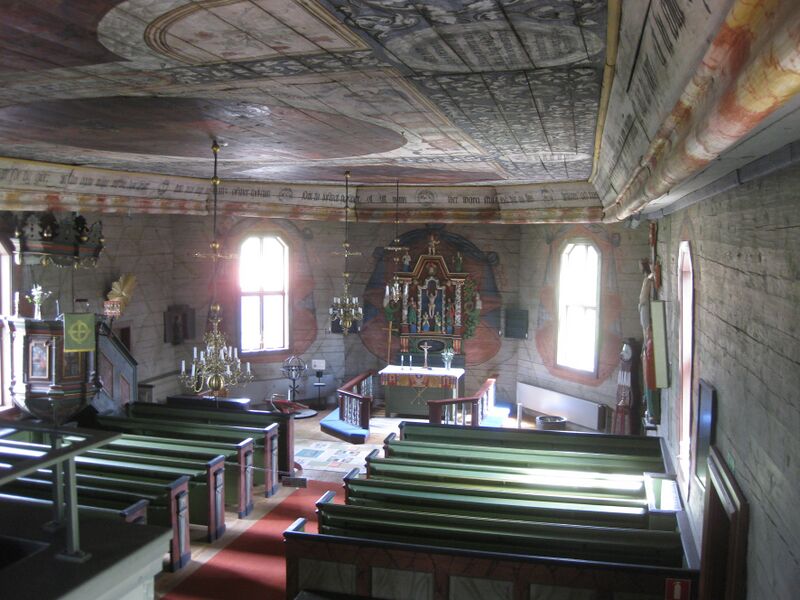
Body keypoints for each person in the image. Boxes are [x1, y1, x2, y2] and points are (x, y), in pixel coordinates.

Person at [639, 259, 660, 423]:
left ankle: (653, 410)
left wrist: (652, 275)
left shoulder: (647, 281)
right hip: (647, 334)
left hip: (648, 334)